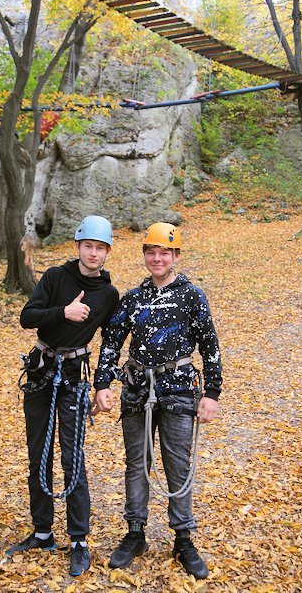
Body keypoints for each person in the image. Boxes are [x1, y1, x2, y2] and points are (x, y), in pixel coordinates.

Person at [92, 222, 222, 580]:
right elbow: (111, 341)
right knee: (137, 463)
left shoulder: (191, 296)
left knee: (178, 466)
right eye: (151, 251)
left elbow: (209, 344)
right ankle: (135, 533)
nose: (157, 258)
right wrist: (101, 383)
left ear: (176, 256)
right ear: (144, 255)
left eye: (165, 252)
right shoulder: (133, 299)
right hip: (137, 391)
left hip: (179, 390)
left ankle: (183, 538)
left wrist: (212, 392)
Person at [5, 215, 119, 577]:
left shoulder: (108, 295)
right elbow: (28, 316)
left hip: (72, 375)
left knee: (73, 458)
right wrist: (63, 313)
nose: (93, 254)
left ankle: (79, 540)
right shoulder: (55, 277)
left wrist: (104, 384)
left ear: (107, 252)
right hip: (42, 372)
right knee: (38, 453)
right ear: (78, 246)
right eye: (88, 246)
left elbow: (112, 343)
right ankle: (42, 533)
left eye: (100, 248)